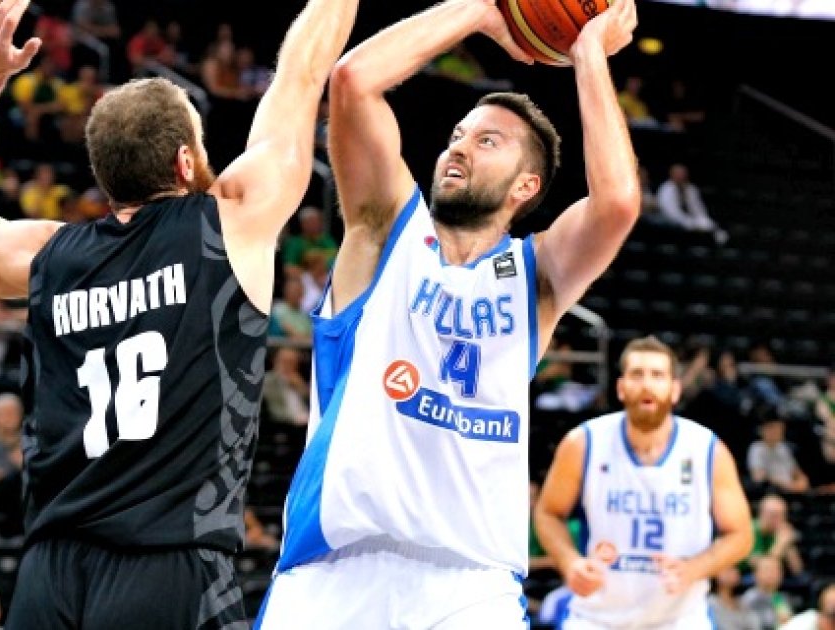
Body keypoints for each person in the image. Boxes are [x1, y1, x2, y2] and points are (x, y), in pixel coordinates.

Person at [0, 0, 361, 626]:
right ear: (186, 162)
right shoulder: (228, 223)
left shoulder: (48, 255)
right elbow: (301, 72)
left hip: (51, 572)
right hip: (169, 562)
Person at [256, 0, 640, 627]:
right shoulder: (384, 230)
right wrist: (482, 11)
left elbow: (618, 202)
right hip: (335, 567)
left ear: (525, 186)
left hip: (472, 585)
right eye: (457, 136)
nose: (459, 149)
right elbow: (353, 80)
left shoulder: (536, 276)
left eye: (488, 141)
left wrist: (588, 53)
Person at [534, 336, 754, 629]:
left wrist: (695, 568)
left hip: (680, 619)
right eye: (637, 374)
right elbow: (548, 513)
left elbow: (741, 535)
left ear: (675, 390)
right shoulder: (583, 443)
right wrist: (570, 562)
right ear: (621, 388)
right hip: (596, 618)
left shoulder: (707, 450)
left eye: (657, 375)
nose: (647, 384)